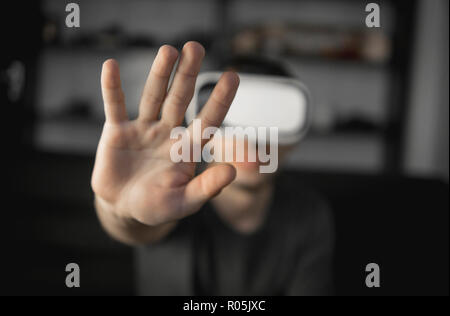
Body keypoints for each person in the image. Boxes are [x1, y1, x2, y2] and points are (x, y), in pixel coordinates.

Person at [92, 41, 334, 295]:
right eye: (233, 113)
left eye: (271, 117)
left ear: (294, 139)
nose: (251, 138)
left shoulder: (310, 214)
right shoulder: (167, 190)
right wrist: (117, 209)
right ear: (204, 127)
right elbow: (138, 225)